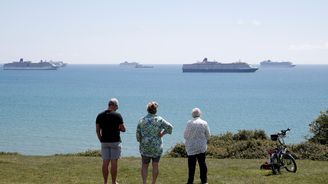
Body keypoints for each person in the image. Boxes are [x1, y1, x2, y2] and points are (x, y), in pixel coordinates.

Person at [136, 101, 173, 184]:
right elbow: (170, 127)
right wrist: (162, 134)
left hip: (145, 146)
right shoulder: (159, 120)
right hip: (157, 146)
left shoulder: (142, 120)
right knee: (155, 165)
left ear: (147, 110)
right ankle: (153, 182)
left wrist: (141, 141)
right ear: (156, 110)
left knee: (145, 165)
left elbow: (138, 135)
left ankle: (144, 182)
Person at [96, 98, 126, 184]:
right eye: (117, 106)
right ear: (114, 105)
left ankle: (105, 182)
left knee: (105, 162)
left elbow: (97, 130)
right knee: (114, 162)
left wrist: (100, 139)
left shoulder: (100, 115)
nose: (117, 108)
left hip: (104, 141)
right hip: (115, 142)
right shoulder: (118, 115)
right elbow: (123, 129)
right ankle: (113, 182)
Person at [184, 108, 211, 184]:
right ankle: (204, 181)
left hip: (191, 147)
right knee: (202, 164)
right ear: (200, 114)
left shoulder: (189, 123)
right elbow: (208, 135)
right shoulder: (204, 123)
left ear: (192, 115)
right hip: (201, 147)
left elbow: (185, 135)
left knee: (191, 165)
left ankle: (190, 181)